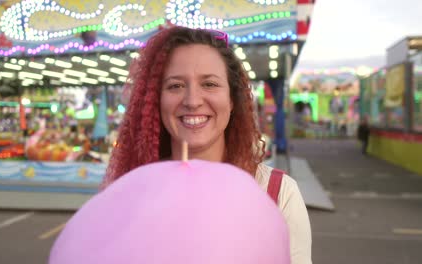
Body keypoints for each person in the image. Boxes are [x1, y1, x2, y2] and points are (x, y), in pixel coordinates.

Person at [101, 26, 312, 264]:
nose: (192, 101)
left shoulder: (278, 193)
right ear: (156, 102)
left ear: (232, 99)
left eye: (209, 84)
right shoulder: (131, 192)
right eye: (175, 86)